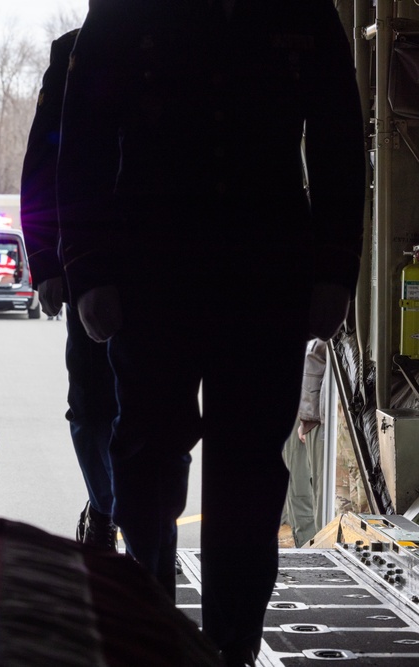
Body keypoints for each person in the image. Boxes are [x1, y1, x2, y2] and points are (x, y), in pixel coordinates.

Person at [56, 2, 365, 665]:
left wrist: (336, 270)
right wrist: (86, 269)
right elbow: (81, 135)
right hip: (151, 276)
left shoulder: (304, 8)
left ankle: (234, 643)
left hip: (265, 278)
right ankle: (152, 616)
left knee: (250, 474)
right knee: (144, 455)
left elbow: (338, 135)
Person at [20, 28, 118, 551]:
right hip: (90, 259)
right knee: (89, 408)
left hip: (170, 259)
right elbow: (44, 163)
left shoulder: (189, 34)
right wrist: (44, 262)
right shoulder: (73, 50)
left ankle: (143, 524)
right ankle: (105, 509)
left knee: (157, 416)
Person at [282, 339, 329, 547]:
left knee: (305, 482)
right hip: (303, 402)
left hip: (312, 404)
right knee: (299, 481)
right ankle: (307, 542)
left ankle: (310, 541)